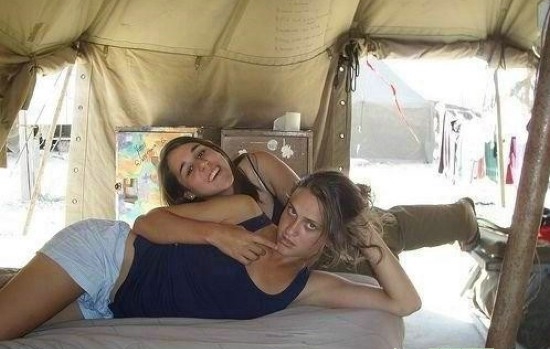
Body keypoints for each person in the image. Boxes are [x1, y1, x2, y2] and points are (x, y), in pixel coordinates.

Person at [0, 171, 421, 341]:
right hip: (106, 257)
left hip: (108, 307)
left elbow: (404, 303)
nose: (291, 228)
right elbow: (147, 223)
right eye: (293, 210)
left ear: (329, 238)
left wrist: (368, 237)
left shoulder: (307, 287)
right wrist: (218, 235)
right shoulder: (245, 212)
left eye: (311, 226)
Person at [133, 137, 479, 272]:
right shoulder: (201, 215)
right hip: (312, 270)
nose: (204, 165)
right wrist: (215, 234)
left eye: (201, 153)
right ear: (187, 192)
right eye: (189, 170)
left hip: (337, 228)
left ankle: (464, 217)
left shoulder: (255, 165)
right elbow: (146, 222)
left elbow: (316, 199)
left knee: (391, 229)